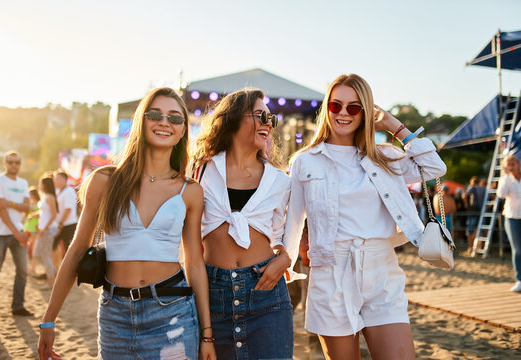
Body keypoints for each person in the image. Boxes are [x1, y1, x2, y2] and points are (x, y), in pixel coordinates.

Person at [38, 88, 216, 360]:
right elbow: (76, 250)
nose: (164, 122)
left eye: (175, 118)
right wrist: (49, 319)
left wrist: (207, 334)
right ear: (141, 122)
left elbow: (194, 262)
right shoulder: (105, 181)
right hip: (115, 315)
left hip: (172, 313)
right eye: (155, 114)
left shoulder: (189, 190)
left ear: (182, 131)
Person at [284, 74, 447, 360]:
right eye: (336, 106)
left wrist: (392, 125)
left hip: (381, 271)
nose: (344, 113)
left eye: (355, 107)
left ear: (366, 112)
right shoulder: (304, 161)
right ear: (327, 109)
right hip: (330, 274)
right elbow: (293, 222)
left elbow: (434, 166)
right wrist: (285, 260)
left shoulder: (385, 156)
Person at [193, 88, 294, 359]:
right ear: (235, 117)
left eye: (271, 117)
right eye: (261, 115)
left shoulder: (280, 180)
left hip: (265, 292)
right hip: (212, 294)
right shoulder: (200, 171)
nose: (268, 123)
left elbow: (285, 233)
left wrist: (285, 258)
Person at [0, 151, 32, 316]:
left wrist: (10, 203)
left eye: (17, 162)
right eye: (10, 162)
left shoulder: (23, 183)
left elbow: (27, 207)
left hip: (18, 230)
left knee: (22, 271)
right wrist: (17, 231)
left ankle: (17, 306)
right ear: (5, 163)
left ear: (20, 164)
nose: (13, 165)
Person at [497, 155, 521, 292]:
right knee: (518, 249)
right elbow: (501, 194)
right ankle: (519, 279)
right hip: (512, 217)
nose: (512, 166)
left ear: (518, 164)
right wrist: (506, 176)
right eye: (509, 164)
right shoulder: (505, 179)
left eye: (513, 163)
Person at [33, 173, 59, 289]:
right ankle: (53, 273)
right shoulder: (46, 197)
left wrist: (44, 229)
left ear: (44, 185)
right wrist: (35, 216)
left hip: (48, 230)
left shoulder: (50, 197)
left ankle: (51, 281)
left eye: (40, 183)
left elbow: (53, 215)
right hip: (44, 229)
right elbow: (45, 213)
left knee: (44, 254)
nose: (39, 185)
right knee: (38, 254)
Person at [52, 170, 78, 269]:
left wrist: (60, 224)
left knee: (69, 249)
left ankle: (70, 271)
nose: (56, 181)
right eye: (55, 179)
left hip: (68, 224)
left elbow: (68, 209)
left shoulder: (69, 191)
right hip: (60, 224)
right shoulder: (58, 191)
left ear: (64, 180)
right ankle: (56, 269)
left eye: (58, 179)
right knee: (54, 246)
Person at [464, 176, 485, 252]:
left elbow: (464, 196)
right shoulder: (484, 189)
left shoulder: (471, 188)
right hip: (482, 212)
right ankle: (480, 247)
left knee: (470, 230)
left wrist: (466, 205)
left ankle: (470, 247)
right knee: (480, 231)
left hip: (472, 212)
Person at [24, 187, 41, 273]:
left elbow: (41, 215)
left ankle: (33, 268)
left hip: (35, 227)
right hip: (27, 227)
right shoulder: (28, 203)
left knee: (34, 248)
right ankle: (27, 266)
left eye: (30, 194)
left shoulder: (39, 204)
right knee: (26, 247)